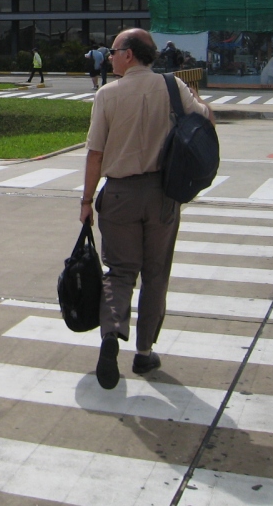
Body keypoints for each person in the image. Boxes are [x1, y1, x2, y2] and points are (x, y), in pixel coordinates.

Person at [79, 28, 213, 388]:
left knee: (119, 271)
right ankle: (144, 351)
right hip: (162, 194)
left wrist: (86, 200)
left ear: (129, 54)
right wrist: (200, 100)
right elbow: (206, 122)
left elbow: (95, 154)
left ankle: (111, 333)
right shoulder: (172, 87)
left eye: (113, 51)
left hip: (119, 195)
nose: (109, 56)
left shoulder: (107, 95)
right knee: (155, 273)